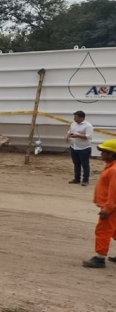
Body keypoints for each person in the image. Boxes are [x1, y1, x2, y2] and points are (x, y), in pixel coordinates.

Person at [82, 139, 116, 268]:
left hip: (111, 207)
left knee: (103, 231)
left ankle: (100, 258)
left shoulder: (114, 170)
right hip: (112, 206)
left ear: (111, 154)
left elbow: (114, 193)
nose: (101, 154)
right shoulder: (111, 166)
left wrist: (107, 209)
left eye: (103, 152)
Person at [66, 111, 93, 186]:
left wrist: (77, 136)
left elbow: (88, 136)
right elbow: (70, 131)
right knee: (76, 164)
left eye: (76, 117)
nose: (74, 118)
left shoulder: (88, 126)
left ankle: (85, 180)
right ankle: (77, 178)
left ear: (81, 117)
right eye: (74, 117)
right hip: (74, 147)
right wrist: (67, 136)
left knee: (85, 164)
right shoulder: (73, 124)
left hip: (84, 148)